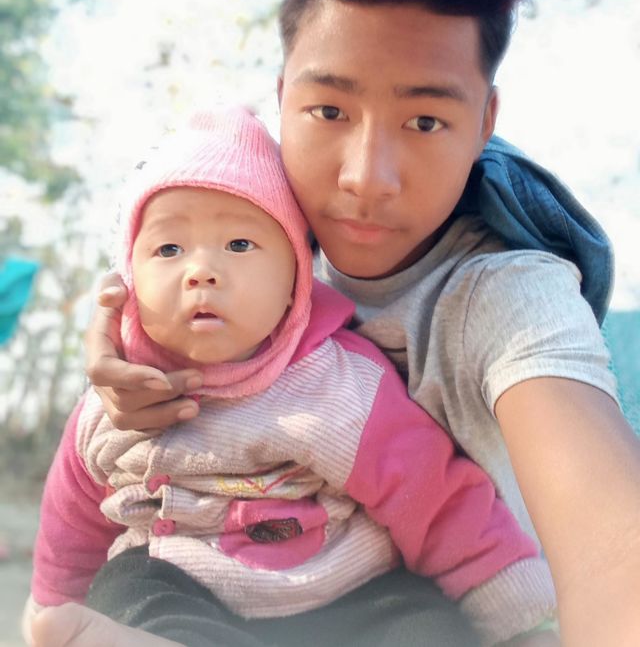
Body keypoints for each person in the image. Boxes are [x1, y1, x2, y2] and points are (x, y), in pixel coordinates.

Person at [34, 0, 640, 647]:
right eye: (329, 112)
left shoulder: (509, 296)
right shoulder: (253, 230)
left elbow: (615, 546)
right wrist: (126, 328)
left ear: (484, 121)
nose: (366, 177)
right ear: (283, 99)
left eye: (425, 121)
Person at [24, 107, 558, 647]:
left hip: (345, 591)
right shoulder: (119, 398)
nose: (201, 271)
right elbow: (72, 521)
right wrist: (51, 606)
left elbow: (433, 500)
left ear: (295, 281)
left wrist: (518, 617)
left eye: (239, 245)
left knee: (423, 621)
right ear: (128, 279)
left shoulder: (338, 383)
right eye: (168, 249)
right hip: (182, 587)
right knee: (127, 586)